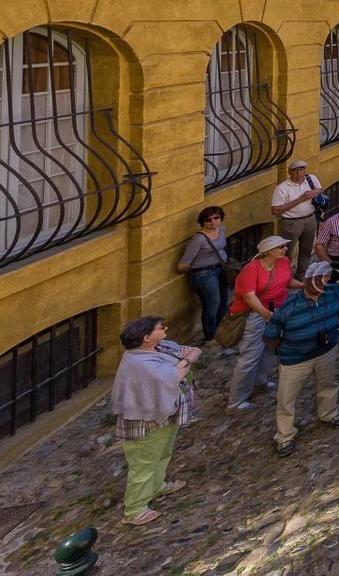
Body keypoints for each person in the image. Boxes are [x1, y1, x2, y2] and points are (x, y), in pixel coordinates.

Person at [111, 316, 199, 525]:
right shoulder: (138, 362)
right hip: (147, 420)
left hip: (167, 413)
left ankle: (156, 486)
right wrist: (186, 361)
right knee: (143, 464)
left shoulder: (162, 347)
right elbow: (175, 375)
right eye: (161, 327)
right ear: (147, 337)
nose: (166, 328)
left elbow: (194, 351)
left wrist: (185, 361)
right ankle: (134, 509)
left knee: (163, 453)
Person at [264, 260, 339, 456]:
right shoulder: (289, 307)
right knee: (287, 398)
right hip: (295, 358)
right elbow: (270, 337)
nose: (318, 283)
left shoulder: (334, 292)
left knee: (328, 384)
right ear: (304, 280)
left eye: (322, 278)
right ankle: (284, 436)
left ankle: (329, 413)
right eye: (313, 279)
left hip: (326, 350)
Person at [227, 235, 296, 413]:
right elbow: (249, 297)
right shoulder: (251, 269)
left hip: (276, 312)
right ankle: (236, 400)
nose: (285, 249)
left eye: (285, 246)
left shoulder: (284, 262)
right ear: (268, 251)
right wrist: (264, 314)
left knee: (270, 349)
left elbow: (287, 282)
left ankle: (260, 381)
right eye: (280, 246)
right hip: (254, 315)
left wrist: (306, 285)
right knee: (250, 355)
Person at [176, 206, 229, 343]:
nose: (212, 221)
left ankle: (221, 330)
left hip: (222, 269)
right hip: (204, 273)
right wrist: (199, 268)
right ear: (202, 222)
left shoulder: (221, 230)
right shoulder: (198, 239)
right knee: (212, 303)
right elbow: (183, 264)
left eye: (216, 217)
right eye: (208, 219)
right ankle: (210, 336)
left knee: (224, 300)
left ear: (220, 218)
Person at [270, 160, 325, 278]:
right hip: (291, 223)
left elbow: (320, 189)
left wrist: (315, 191)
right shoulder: (282, 188)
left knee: (306, 250)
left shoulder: (311, 179)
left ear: (305, 170)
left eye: (301, 169)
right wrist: (300, 199)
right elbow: (275, 210)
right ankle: (284, 277)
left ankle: (301, 276)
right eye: (295, 170)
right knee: (286, 253)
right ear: (289, 172)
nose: (299, 173)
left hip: (310, 219)